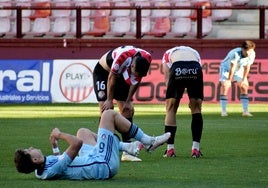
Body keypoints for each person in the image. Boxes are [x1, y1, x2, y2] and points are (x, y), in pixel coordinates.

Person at [14, 109, 171, 180]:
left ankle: (128, 147)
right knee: (108, 115)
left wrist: (55, 146)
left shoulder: (40, 171)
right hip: (103, 164)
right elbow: (76, 144)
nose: (31, 148)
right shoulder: (50, 171)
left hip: (92, 159)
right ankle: (149, 142)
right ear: (34, 160)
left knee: (83, 131)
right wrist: (59, 134)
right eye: (29, 151)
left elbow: (62, 161)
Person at [93, 45, 152, 162]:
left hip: (120, 75)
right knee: (106, 110)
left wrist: (129, 99)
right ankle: (103, 149)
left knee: (128, 109)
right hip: (104, 73)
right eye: (135, 73)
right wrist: (109, 100)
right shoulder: (123, 57)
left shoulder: (147, 58)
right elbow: (111, 77)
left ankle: (127, 151)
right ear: (133, 65)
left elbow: (136, 81)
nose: (135, 76)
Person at [161, 46, 204, 158]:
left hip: (177, 68)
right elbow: (198, 69)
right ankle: (196, 149)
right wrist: (193, 100)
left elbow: (168, 80)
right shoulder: (195, 53)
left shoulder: (167, 54)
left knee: (170, 109)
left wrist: (173, 98)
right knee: (196, 109)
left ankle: (170, 150)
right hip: (195, 68)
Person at [219, 40, 256, 117]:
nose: (249, 53)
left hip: (239, 69)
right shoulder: (235, 53)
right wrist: (229, 80)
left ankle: (245, 111)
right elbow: (232, 67)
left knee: (244, 86)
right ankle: (223, 111)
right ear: (242, 49)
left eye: (250, 51)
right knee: (225, 86)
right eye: (247, 51)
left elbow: (247, 67)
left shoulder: (252, 54)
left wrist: (244, 79)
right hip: (226, 68)